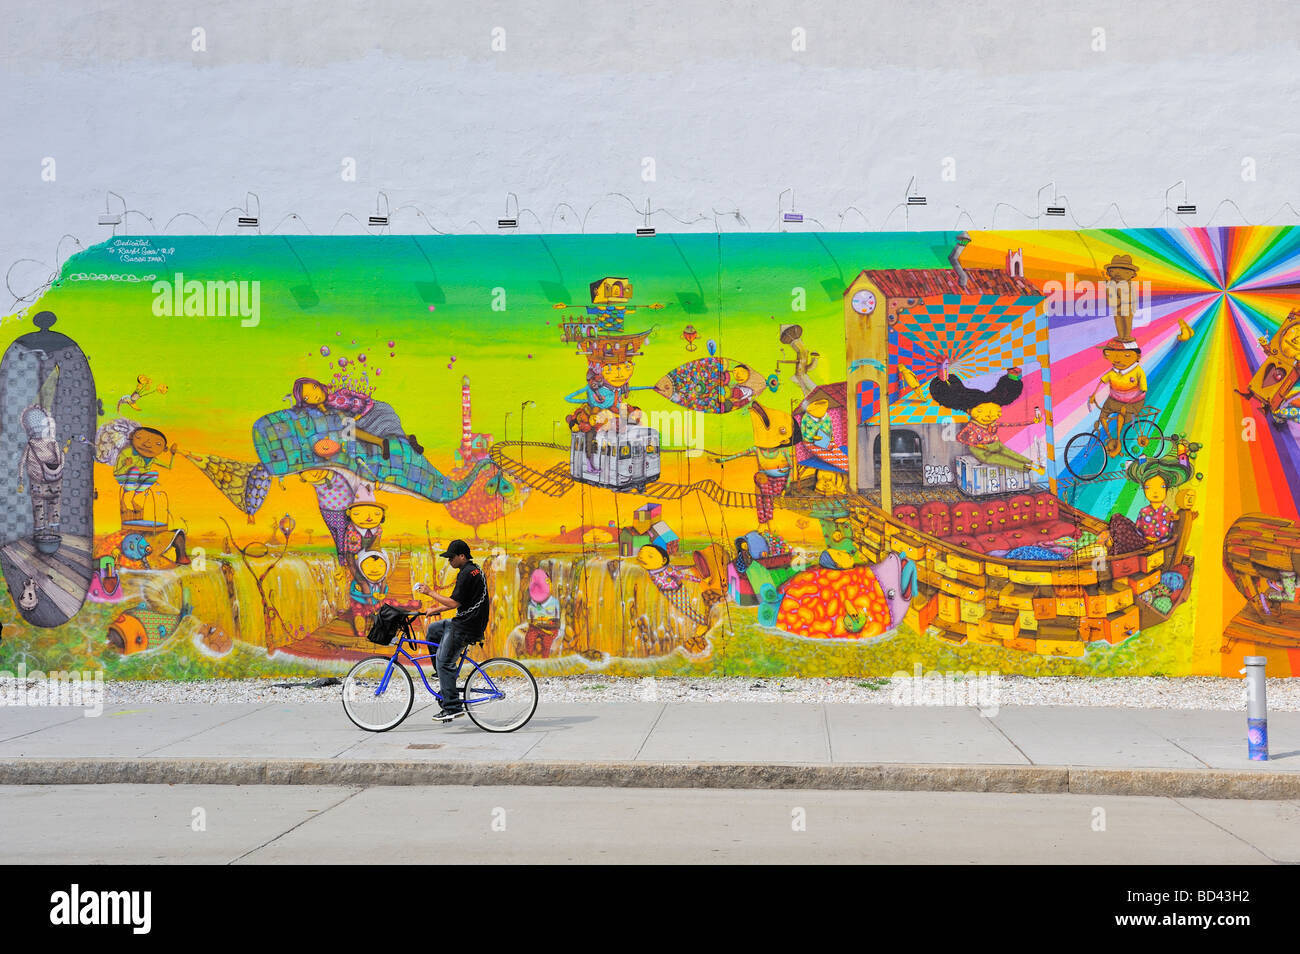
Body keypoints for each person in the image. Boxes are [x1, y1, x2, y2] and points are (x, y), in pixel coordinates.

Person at [414, 539, 490, 721]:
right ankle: (442, 677)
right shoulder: (474, 569)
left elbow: (454, 603)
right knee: (433, 630)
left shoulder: (465, 574)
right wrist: (435, 610)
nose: (449, 561)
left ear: (462, 556)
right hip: (466, 621)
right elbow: (460, 601)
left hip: (466, 626)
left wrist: (430, 592)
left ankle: (452, 706)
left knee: (444, 662)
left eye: (451, 557)